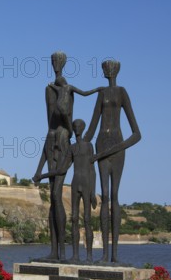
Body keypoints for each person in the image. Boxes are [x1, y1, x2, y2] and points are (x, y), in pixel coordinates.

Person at [33, 51, 102, 261]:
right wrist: (38, 170)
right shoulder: (48, 90)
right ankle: (54, 251)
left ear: (62, 64)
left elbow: (66, 118)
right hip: (51, 139)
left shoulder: (66, 90)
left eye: (58, 62)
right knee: (52, 202)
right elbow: (49, 129)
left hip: (61, 142)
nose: (55, 65)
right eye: (53, 62)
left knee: (56, 196)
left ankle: (62, 251)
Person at [84, 60, 141, 263]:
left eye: (111, 67)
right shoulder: (101, 94)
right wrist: (79, 146)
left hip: (116, 145)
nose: (107, 70)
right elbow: (91, 127)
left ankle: (115, 254)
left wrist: (118, 147)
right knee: (105, 196)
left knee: (115, 195)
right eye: (105, 67)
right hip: (101, 145)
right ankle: (105, 254)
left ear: (116, 70)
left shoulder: (122, 92)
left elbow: (137, 133)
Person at [34, 119, 97, 263]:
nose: (77, 129)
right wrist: (42, 175)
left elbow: (92, 170)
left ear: (84, 128)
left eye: (79, 126)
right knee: (74, 219)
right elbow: (62, 170)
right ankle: (75, 255)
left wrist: (93, 191)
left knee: (87, 219)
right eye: (75, 127)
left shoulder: (89, 146)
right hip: (75, 184)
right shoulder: (72, 148)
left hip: (86, 184)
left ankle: (89, 256)